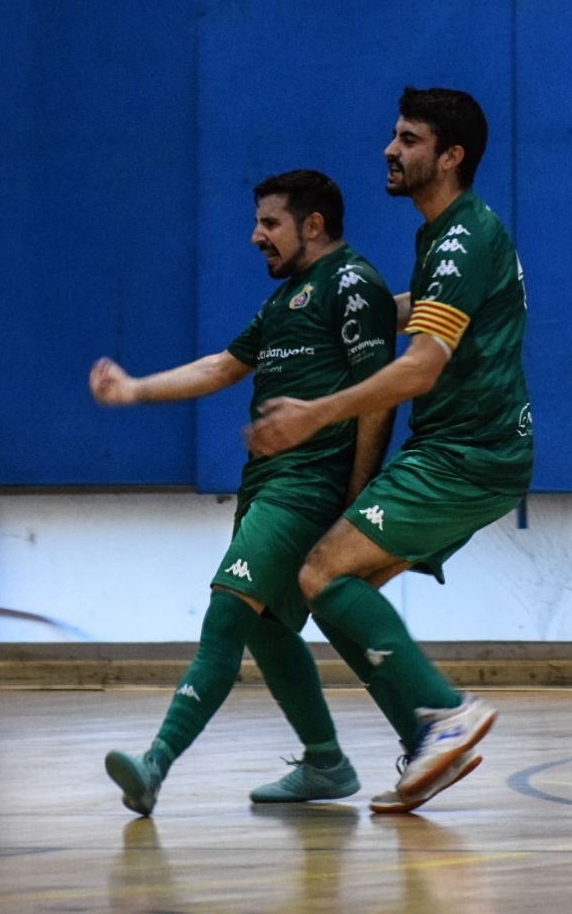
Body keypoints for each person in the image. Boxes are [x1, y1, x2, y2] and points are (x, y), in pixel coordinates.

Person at [248, 87, 533, 813]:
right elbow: (424, 310)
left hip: (465, 453)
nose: (389, 148)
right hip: (471, 451)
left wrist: (315, 413)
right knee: (345, 592)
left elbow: (420, 366)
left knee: (318, 569)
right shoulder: (446, 235)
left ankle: (441, 715)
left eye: (408, 138)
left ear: (451, 155)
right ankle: (425, 737)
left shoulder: (465, 235)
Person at [92, 168, 397, 815]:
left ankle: (154, 765)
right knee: (264, 629)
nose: (255, 235)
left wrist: (355, 494)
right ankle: (326, 762)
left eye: (270, 223)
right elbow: (223, 368)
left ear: (313, 225)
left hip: (307, 486)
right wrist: (134, 389)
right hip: (266, 485)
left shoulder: (351, 283)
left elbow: (379, 396)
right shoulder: (286, 299)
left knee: (230, 610)